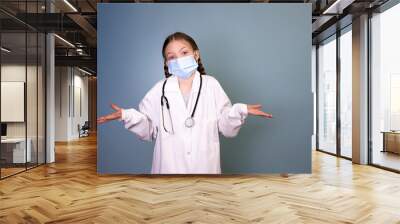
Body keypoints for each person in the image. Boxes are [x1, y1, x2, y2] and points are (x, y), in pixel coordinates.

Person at [97, 32, 272, 174]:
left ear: (196, 54)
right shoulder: (160, 89)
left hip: (205, 167)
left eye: (184, 53)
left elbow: (225, 127)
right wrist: (127, 115)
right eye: (171, 56)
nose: (178, 59)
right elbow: (149, 129)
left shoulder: (211, 85)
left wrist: (239, 110)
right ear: (166, 62)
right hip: (168, 168)